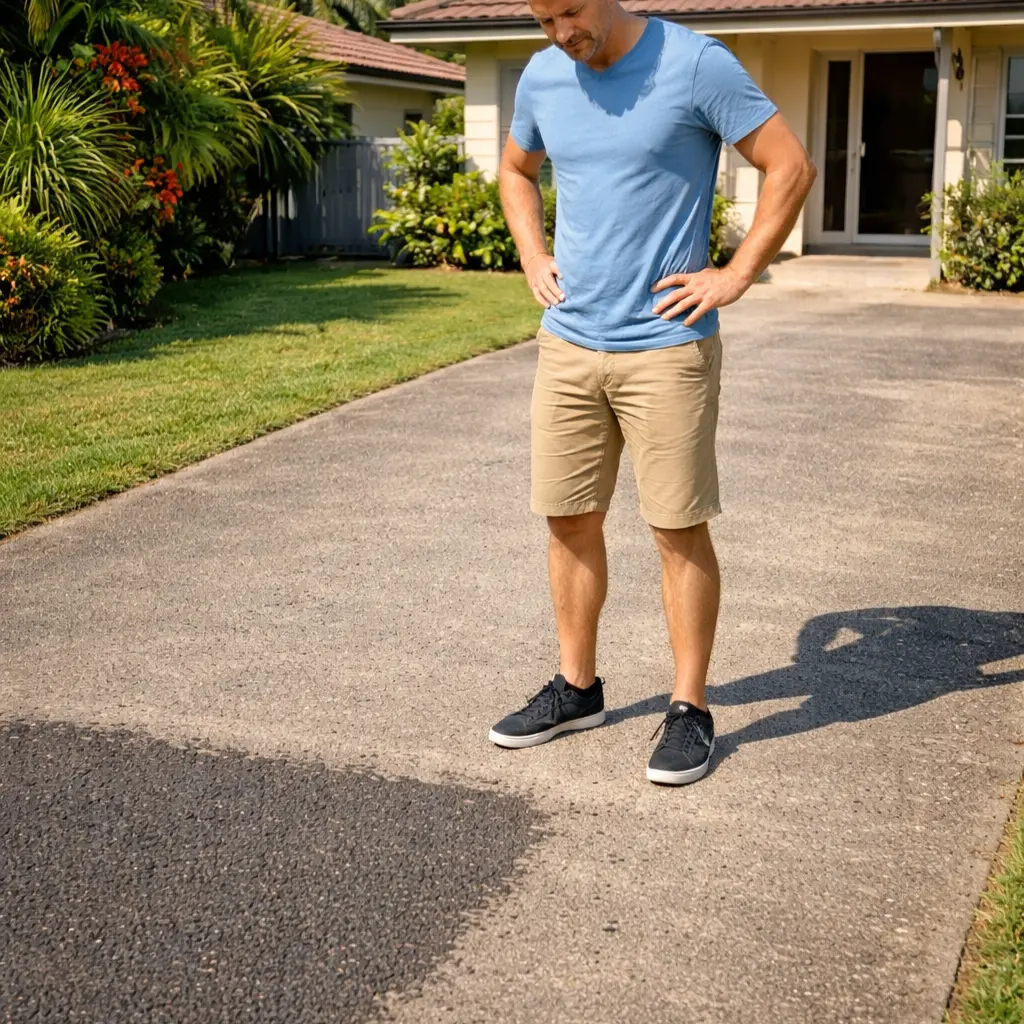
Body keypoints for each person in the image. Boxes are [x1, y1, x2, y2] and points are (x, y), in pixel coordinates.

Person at [488, 0, 816, 784]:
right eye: (543, 21)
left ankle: (690, 706)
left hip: (666, 349)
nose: (561, 34)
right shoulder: (542, 75)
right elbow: (515, 170)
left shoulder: (696, 63)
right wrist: (533, 254)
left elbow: (790, 164)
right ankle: (577, 688)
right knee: (567, 518)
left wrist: (736, 272)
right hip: (570, 344)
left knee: (676, 527)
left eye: (569, 12)